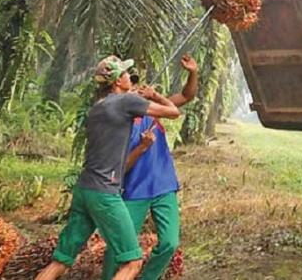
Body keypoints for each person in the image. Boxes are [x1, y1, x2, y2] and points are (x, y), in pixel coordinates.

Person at [36, 55, 182, 280]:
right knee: (132, 262)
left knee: (61, 261)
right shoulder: (125, 102)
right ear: (116, 82)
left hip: (84, 190)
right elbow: (173, 112)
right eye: (125, 74)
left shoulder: (96, 109)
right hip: (105, 194)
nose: (130, 78)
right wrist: (153, 96)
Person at [102, 54, 198, 280]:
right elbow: (120, 168)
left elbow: (186, 96)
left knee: (169, 243)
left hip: (164, 187)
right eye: (130, 84)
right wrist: (142, 147)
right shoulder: (116, 122)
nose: (135, 88)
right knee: (119, 249)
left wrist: (193, 72)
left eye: (136, 85)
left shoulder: (154, 109)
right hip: (134, 191)